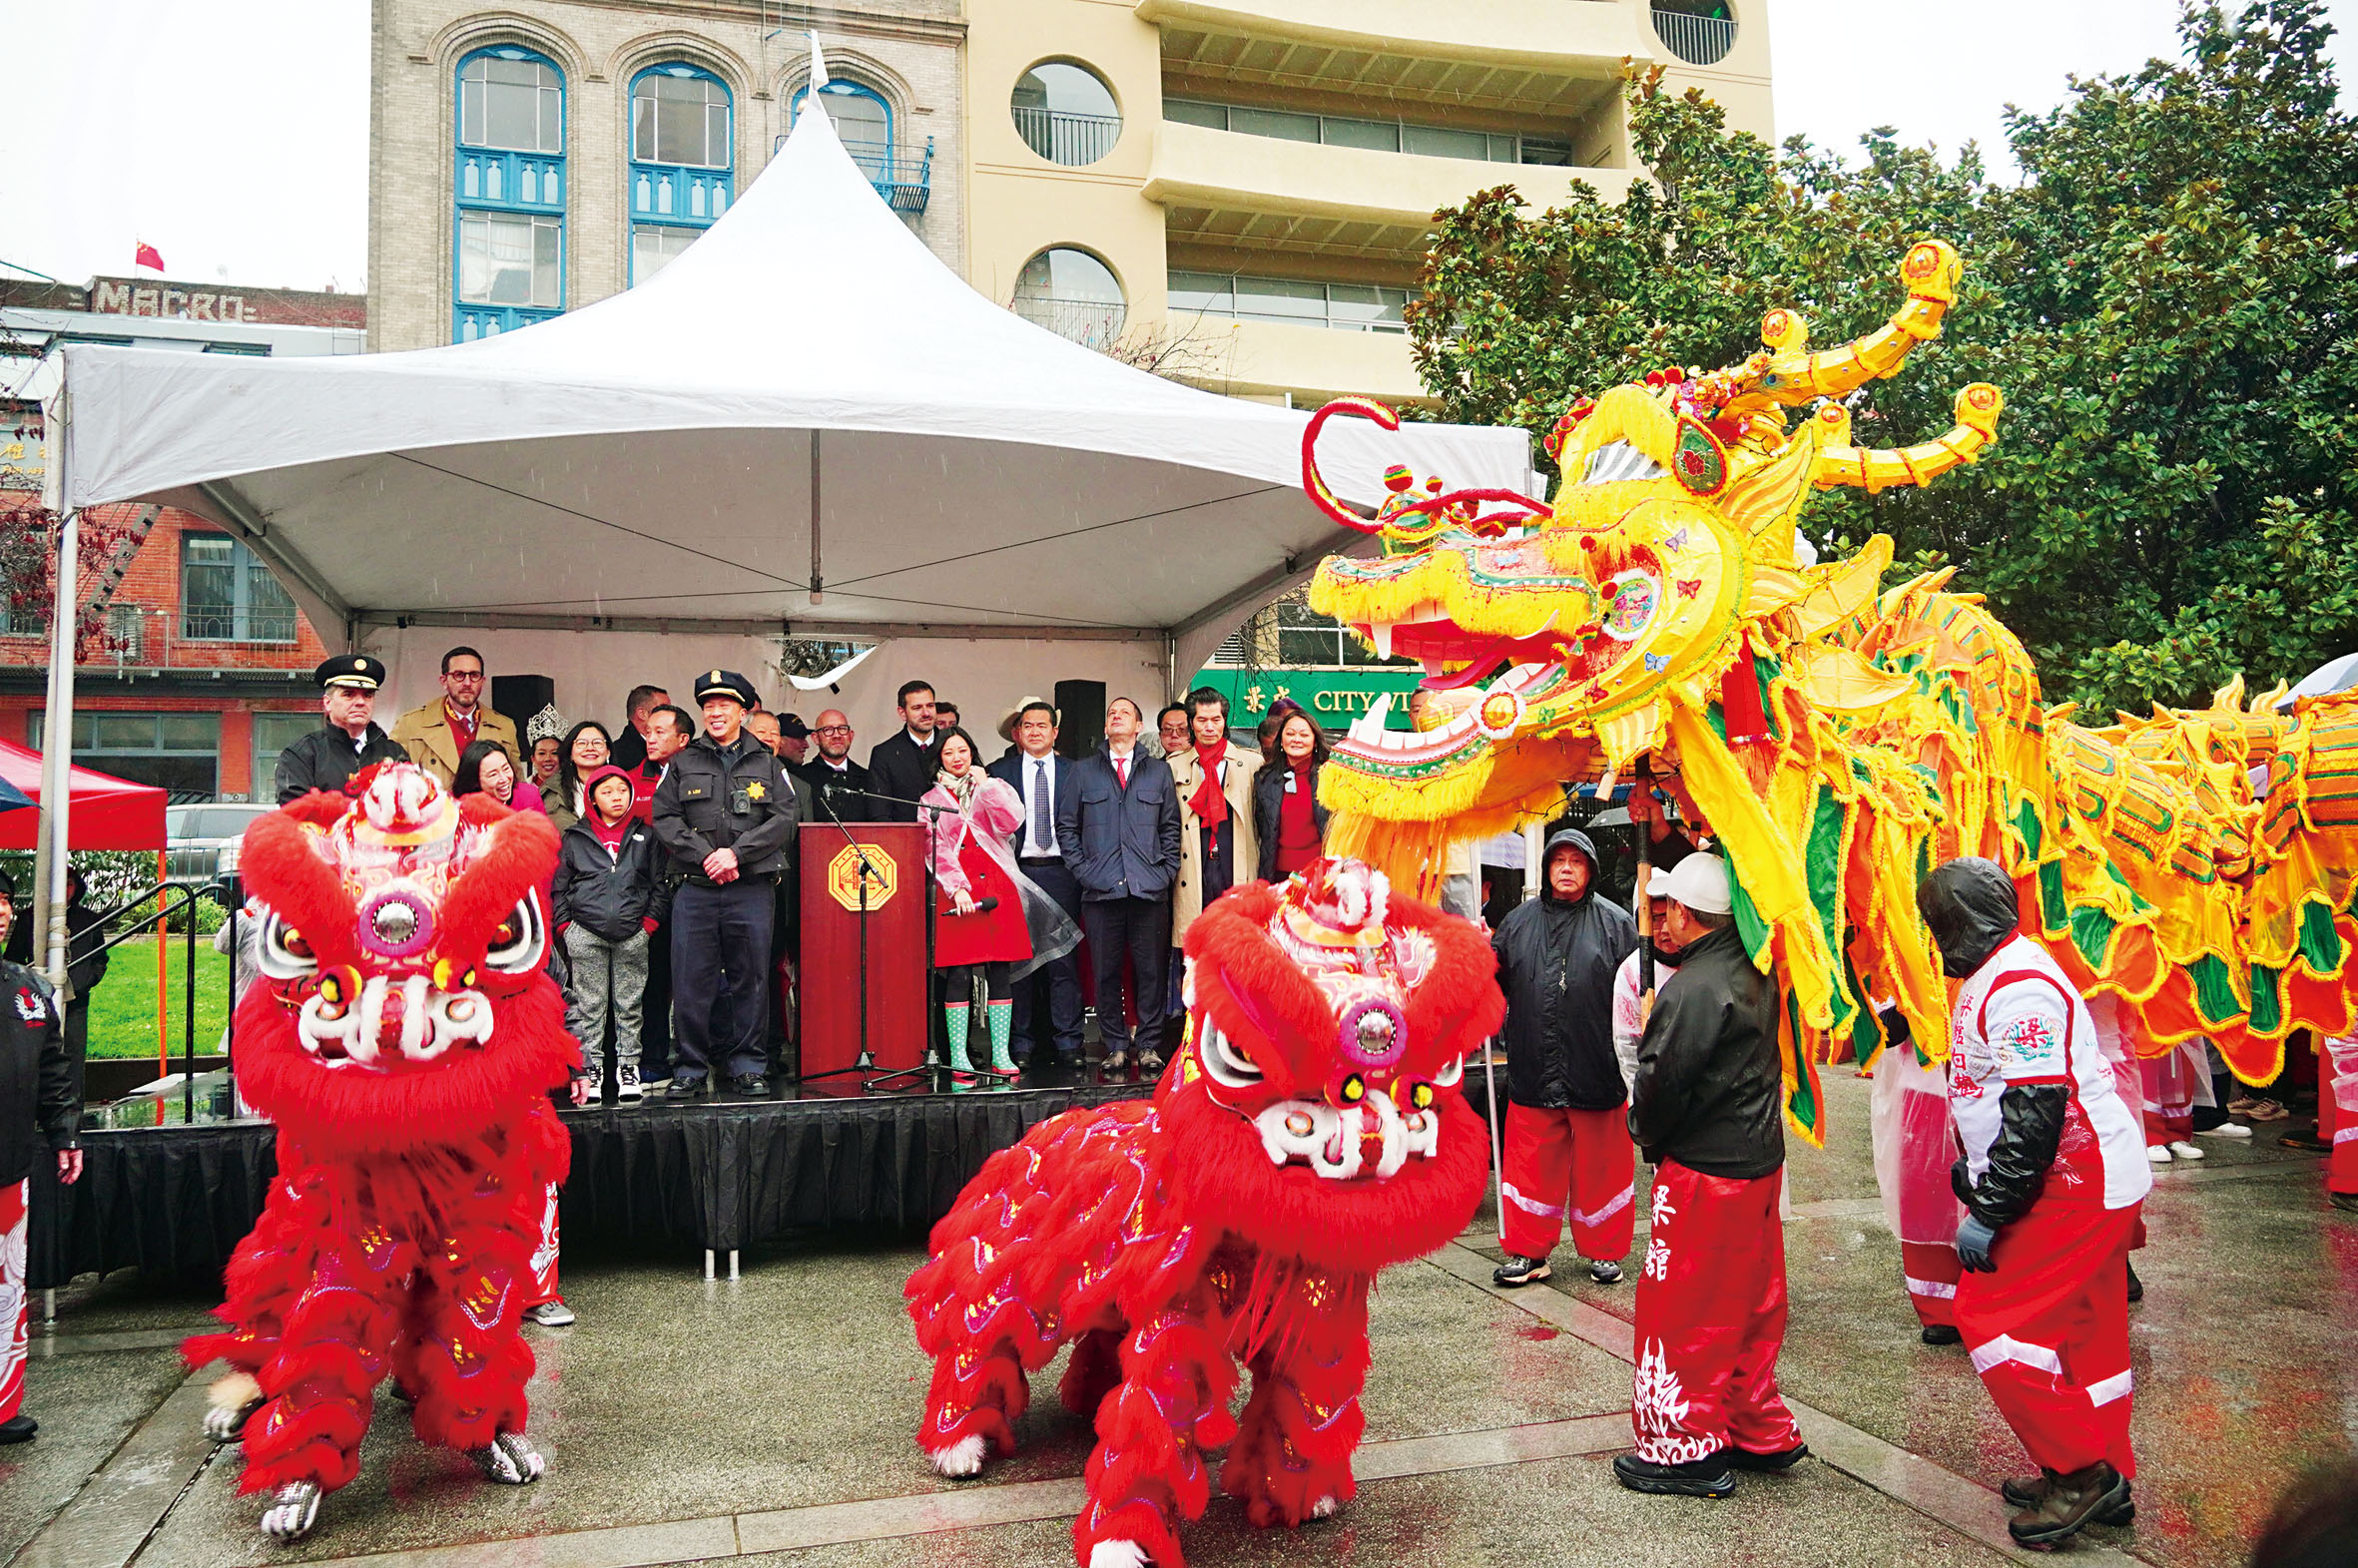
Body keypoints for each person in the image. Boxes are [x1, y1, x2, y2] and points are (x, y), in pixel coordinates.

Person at [1918, 856, 2150, 1549]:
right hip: (2078, 1176)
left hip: (2073, 1183)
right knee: (2089, 1332)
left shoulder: (2017, 985)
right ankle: (2100, 1467)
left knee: (1990, 1319)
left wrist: (1991, 1207)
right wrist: (1982, 1169)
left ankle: (2081, 1471)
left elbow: (2037, 1109)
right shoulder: (2004, 971)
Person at [1616, 853, 1804, 1499]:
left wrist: (1647, 1127)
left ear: (1682, 913)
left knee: (1686, 1309)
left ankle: (1684, 1445)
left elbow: (1662, 1086)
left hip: (1704, 1172)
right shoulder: (1755, 966)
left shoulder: (1692, 987)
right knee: (1752, 1302)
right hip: (1755, 1162)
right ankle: (1755, 1423)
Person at [1490, 829, 1639, 1290]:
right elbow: (1490, 983)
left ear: (1591, 869)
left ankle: (1604, 1251)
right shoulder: (1516, 923)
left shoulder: (1617, 925)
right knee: (1531, 1164)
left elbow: (1638, 991)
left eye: (1577, 860)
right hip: (1535, 1066)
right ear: (1547, 868)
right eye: (1560, 861)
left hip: (1597, 1067)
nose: (1568, 868)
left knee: (1603, 1165)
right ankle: (1528, 1252)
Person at [652, 671, 799, 1100]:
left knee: (750, 977)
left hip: (750, 888)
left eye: (725, 706)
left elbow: (784, 818)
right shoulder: (681, 761)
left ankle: (748, 1064)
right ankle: (691, 1066)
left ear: (743, 711)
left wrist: (737, 853)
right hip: (695, 888)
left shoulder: (768, 762)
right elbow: (665, 818)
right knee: (690, 980)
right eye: (709, 706)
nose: (716, 713)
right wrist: (705, 856)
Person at [0, 875, 83, 1444]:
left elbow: (53, 1071)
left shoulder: (28, 989)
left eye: (4, 902)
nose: (1, 913)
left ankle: (4, 1406)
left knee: (8, 1288)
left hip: (11, 1168)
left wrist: (65, 1136)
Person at [1056, 697, 1180, 1074]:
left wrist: (1164, 872)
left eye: (1124, 712)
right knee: (1106, 972)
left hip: (1148, 889)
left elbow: (1170, 828)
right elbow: (1068, 828)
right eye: (1111, 712)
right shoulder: (1083, 771)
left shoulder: (1158, 772)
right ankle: (1114, 1044)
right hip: (1100, 891)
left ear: (1139, 725)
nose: (1115, 716)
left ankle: (1148, 1045)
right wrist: (1086, 872)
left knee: (1151, 972)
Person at [925, 730, 1036, 1083]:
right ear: (939, 759)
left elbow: (1011, 821)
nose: (958, 758)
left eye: (964, 750)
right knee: (958, 974)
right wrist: (956, 887)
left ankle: (1000, 1053)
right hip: (955, 889)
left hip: (997, 888)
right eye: (949, 753)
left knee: (999, 971)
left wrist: (986, 785)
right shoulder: (930, 798)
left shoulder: (992, 786)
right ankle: (959, 1055)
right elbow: (935, 847)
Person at [553, 767, 666, 1105]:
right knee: (589, 1005)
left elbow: (658, 885)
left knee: (630, 1005)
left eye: (622, 790)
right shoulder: (575, 838)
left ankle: (628, 1067)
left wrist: (647, 926)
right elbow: (559, 888)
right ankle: (594, 1070)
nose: (617, 797)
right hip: (585, 933)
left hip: (632, 933)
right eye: (607, 792)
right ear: (592, 798)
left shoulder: (645, 837)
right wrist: (566, 929)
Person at [989, 700, 1083, 1067]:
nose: (1034, 732)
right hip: (1017, 873)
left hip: (1064, 873)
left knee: (1064, 961)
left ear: (1054, 731)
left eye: (1042, 725)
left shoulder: (1076, 772)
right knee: (1020, 963)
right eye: (1027, 726)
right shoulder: (1000, 772)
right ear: (1018, 733)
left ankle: (1069, 1042)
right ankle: (1022, 1044)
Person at [1166, 688, 1259, 1047]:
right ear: (1191, 723)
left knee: (1236, 947)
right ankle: (1195, 1029)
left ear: (1225, 720)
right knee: (1195, 950)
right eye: (1202, 720)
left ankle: (1236, 1027)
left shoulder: (1250, 763)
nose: (1209, 727)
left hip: (1235, 865)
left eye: (1215, 719)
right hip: (1193, 868)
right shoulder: (1174, 766)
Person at [1, 865, 108, 1110]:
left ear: (76, 887)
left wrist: (84, 981)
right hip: (33, 1001)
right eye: (60, 883)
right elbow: (14, 956)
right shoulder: (30, 918)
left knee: (72, 1056)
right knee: (35, 1054)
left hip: (76, 1002)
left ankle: (73, 1111)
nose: (64, 889)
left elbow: (100, 958)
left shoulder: (89, 919)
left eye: (69, 884)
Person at [635, 703, 696, 1083]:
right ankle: (653, 1060)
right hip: (649, 892)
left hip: (692, 886)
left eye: (660, 732)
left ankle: (696, 1062)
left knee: (695, 979)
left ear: (683, 739)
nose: (650, 738)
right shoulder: (632, 777)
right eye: (647, 732)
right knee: (653, 979)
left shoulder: (702, 775)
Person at [276, 655, 408, 802]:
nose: (360, 702)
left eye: (368, 695)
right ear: (327, 703)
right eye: (348, 694)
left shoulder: (395, 752)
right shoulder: (302, 754)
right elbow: (296, 811)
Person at [390, 647, 520, 789]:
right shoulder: (410, 724)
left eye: (474, 675)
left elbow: (517, 785)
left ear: (483, 681)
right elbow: (391, 783)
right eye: (459, 675)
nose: (467, 683)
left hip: (488, 810)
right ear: (444, 680)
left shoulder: (504, 727)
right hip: (434, 810)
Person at [1253, 711, 1331, 880]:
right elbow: (1261, 828)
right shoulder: (1265, 778)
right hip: (1277, 875)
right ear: (1281, 740)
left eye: (1304, 735)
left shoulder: (1330, 777)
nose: (1296, 739)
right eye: (1290, 734)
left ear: (1315, 741)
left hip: (1320, 875)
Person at [867, 681, 943, 823]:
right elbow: (879, 812)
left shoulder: (952, 744)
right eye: (917, 708)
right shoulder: (884, 753)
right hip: (907, 840)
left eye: (930, 706)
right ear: (902, 713)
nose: (926, 713)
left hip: (954, 841)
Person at [798, 710, 877, 823]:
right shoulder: (800, 778)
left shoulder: (868, 778)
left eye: (842, 729)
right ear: (815, 738)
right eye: (828, 730)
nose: (837, 735)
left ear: (851, 735)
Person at [548, 721, 613, 833]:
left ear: (608, 752)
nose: (590, 748)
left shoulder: (622, 788)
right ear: (570, 753)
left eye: (597, 743)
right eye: (581, 743)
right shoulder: (551, 790)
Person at [452, 740, 547, 816]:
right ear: (474, 781)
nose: (504, 779)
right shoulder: (455, 808)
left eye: (506, 768)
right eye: (493, 774)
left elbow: (546, 837)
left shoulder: (529, 795)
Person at [609, 685, 669, 773]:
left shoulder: (673, 748)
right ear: (642, 714)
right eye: (663, 709)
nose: (671, 715)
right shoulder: (618, 755)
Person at [524, 706, 566, 805]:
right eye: (542, 753)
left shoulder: (573, 789)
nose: (548, 758)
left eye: (554, 753)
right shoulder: (523, 789)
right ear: (533, 759)